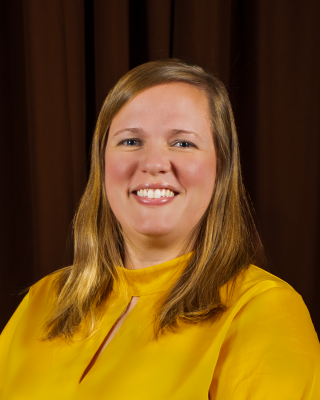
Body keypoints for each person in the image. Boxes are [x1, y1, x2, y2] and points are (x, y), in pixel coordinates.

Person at [0, 59, 319, 399]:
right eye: (130, 141)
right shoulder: (43, 300)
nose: (153, 163)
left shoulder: (264, 310)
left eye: (183, 143)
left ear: (221, 167)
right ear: (102, 162)